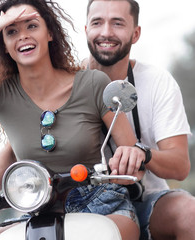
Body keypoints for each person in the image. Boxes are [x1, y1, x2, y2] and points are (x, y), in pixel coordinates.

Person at [0, 0, 143, 239]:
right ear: (4, 45)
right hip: (37, 210)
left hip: (102, 203)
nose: (22, 36)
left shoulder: (92, 83)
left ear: (50, 32)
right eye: (11, 31)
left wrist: (130, 158)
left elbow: (131, 154)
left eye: (31, 26)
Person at [85, 0, 195, 239]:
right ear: (86, 30)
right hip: (82, 208)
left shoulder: (158, 81)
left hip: (146, 201)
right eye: (97, 22)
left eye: (117, 23)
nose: (106, 32)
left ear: (135, 34)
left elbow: (180, 165)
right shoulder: (64, 82)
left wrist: (143, 153)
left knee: (191, 214)